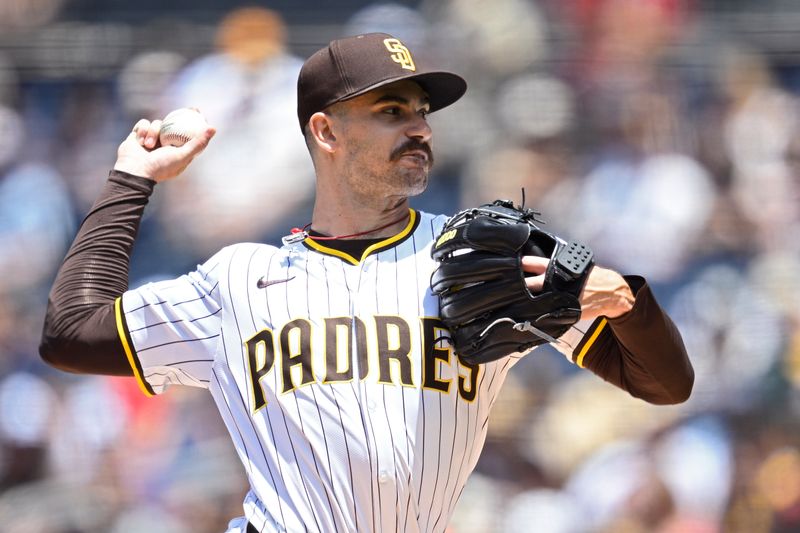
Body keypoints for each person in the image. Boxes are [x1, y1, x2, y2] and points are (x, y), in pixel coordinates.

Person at [40, 33, 694, 533]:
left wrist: (627, 300)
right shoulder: (237, 280)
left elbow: (666, 383)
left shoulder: (480, 257)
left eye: (420, 110)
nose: (420, 126)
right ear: (324, 130)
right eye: (391, 109)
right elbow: (69, 333)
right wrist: (132, 179)